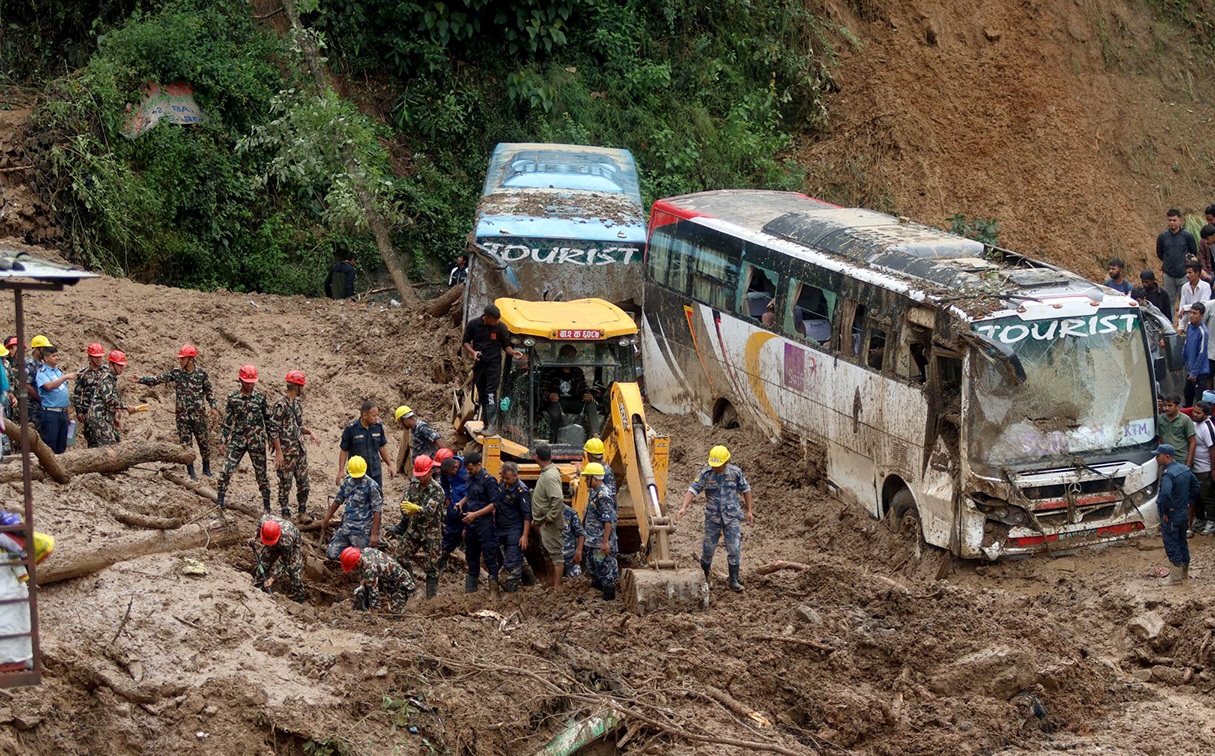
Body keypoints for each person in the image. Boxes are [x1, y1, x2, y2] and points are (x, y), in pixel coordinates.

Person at [134, 344, 219, 480]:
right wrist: (141, 380)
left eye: (182, 358)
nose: (180, 361)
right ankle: (191, 472)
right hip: (182, 417)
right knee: (185, 445)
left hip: (199, 416)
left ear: (190, 359)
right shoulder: (177, 373)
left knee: (203, 443)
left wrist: (213, 407)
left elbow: (210, 392)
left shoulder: (202, 374)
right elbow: (159, 379)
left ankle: (206, 469)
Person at [678, 444, 754, 592]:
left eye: (718, 466)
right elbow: (693, 490)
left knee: (734, 549)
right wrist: (684, 507)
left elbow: (746, 490)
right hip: (713, 518)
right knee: (708, 550)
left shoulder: (735, 473)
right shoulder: (706, 474)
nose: (716, 468)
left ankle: (733, 580)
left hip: (731, 517)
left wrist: (749, 511)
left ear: (726, 462)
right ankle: (705, 577)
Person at [216, 365, 280, 513]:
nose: (250, 385)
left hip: (256, 441)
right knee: (226, 470)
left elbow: (268, 420)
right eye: (247, 382)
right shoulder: (233, 398)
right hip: (238, 440)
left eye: (252, 382)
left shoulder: (260, 397)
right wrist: (223, 441)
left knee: (261, 475)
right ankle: (220, 500)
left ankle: (267, 507)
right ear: (240, 380)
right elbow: (228, 421)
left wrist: (272, 439)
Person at [462, 303, 524, 435]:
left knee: (490, 393)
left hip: (494, 364)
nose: (496, 322)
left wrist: (513, 352)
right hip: (479, 365)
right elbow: (465, 342)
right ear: (486, 317)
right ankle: (485, 425)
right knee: (482, 395)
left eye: (498, 320)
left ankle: (492, 425)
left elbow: (506, 346)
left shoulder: (501, 327)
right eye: (494, 320)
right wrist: (473, 352)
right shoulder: (473, 325)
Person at [393, 454, 446, 599]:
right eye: (419, 475)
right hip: (415, 529)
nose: (421, 478)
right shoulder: (413, 486)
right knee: (400, 555)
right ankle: (410, 587)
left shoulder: (437, 490)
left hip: (431, 532)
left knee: (432, 566)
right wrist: (405, 510)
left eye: (423, 475)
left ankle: (430, 598)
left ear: (430, 472)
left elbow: (430, 511)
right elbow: (404, 502)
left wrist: (416, 509)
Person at [272, 371, 319, 520]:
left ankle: (302, 511)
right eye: (301, 386)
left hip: (299, 450)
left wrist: (310, 432)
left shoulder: (297, 405)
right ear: (296, 387)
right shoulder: (280, 405)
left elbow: (299, 426)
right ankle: (285, 512)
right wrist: (279, 452)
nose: (302, 389)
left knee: (304, 483)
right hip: (286, 452)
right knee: (285, 483)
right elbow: (274, 430)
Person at [1155, 443, 1200, 585]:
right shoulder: (1184, 469)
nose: (1156, 458)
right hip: (1183, 512)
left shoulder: (1168, 474)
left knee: (1172, 544)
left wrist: (1166, 510)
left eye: (1158, 455)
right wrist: (1188, 501)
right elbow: (1196, 485)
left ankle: (1175, 578)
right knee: (1182, 542)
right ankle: (1184, 574)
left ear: (1167, 456)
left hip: (1171, 515)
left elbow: (1165, 494)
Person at [322, 456, 383, 560]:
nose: (356, 478)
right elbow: (337, 500)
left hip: (361, 530)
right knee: (331, 554)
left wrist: (374, 534)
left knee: (362, 558)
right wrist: (326, 519)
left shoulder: (372, 486)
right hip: (346, 527)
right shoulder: (348, 482)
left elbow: (377, 511)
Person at [460, 451, 501, 596]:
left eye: (470, 469)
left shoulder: (489, 481)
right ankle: (471, 591)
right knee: (471, 556)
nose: (468, 471)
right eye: (467, 469)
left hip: (485, 524)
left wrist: (476, 515)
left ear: (479, 465)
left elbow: (495, 504)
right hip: (471, 523)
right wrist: (461, 503)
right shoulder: (470, 478)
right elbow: (470, 496)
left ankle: (493, 591)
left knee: (490, 556)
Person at [539, 345, 595, 442]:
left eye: (572, 356)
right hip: (556, 402)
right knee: (555, 414)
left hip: (574, 402)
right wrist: (549, 396)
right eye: (567, 356)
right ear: (561, 356)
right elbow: (542, 391)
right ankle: (555, 440)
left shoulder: (578, 372)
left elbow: (584, 389)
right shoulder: (550, 371)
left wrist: (587, 395)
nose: (569, 359)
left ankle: (595, 435)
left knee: (591, 405)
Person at [580, 462, 618, 600]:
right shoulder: (595, 493)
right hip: (592, 540)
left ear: (595, 478)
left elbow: (608, 520)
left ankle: (608, 599)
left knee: (604, 569)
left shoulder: (603, 496)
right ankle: (597, 594)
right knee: (592, 566)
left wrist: (605, 542)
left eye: (588, 478)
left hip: (600, 541)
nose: (585, 481)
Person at [530, 444, 566, 588]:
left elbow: (558, 498)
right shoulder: (548, 472)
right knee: (547, 553)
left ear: (537, 458)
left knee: (555, 553)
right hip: (543, 522)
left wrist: (550, 517)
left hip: (549, 523)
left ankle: (557, 586)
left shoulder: (549, 476)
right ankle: (550, 581)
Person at [341, 546, 415, 613]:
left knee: (396, 615)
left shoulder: (370, 569)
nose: (353, 569)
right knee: (365, 589)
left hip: (402, 584)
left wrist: (373, 617)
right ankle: (362, 608)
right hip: (386, 579)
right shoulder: (366, 551)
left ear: (358, 562)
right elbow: (366, 574)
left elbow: (374, 595)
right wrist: (362, 585)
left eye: (353, 567)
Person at [338, 401, 393, 490]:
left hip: (375, 471)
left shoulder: (378, 427)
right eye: (373, 416)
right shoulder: (351, 429)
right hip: (357, 473)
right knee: (356, 496)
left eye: (377, 415)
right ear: (364, 416)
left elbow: (382, 447)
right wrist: (341, 471)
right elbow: (344, 450)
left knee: (376, 495)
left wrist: (389, 465)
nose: (376, 418)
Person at [496, 462, 532, 593]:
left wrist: (524, 535)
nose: (505, 481)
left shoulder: (521, 491)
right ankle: (530, 583)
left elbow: (527, 515)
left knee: (512, 561)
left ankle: (512, 592)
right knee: (515, 556)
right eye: (503, 478)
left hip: (514, 529)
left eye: (508, 478)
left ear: (516, 476)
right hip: (501, 527)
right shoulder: (501, 485)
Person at [253, 516, 306, 602]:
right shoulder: (264, 521)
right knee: (263, 563)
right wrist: (255, 537)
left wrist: (272, 579)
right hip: (273, 538)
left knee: (294, 572)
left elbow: (285, 561)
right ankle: (257, 587)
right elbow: (259, 527)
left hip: (292, 547)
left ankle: (298, 597)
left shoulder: (287, 540)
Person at [87, 351, 134, 446]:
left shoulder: (111, 378)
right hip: (99, 419)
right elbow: (109, 400)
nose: (121, 368)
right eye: (119, 365)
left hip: (104, 418)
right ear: (111, 365)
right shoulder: (107, 379)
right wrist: (126, 407)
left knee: (115, 442)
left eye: (122, 366)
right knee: (109, 446)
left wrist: (114, 417)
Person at [34, 346, 72, 454]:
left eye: (57, 355)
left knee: (62, 444)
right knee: (50, 444)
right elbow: (48, 386)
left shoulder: (58, 372)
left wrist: (68, 412)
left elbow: (64, 392)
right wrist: (65, 377)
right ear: (46, 358)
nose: (57, 358)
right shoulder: (42, 373)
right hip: (51, 412)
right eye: (53, 356)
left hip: (62, 412)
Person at [1158, 208, 1198, 306]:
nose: (1172, 223)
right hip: (1168, 275)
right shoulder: (1163, 236)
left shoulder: (1187, 236)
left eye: (1174, 220)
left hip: (1183, 274)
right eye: (1170, 220)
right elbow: (1160, 253)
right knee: (1168, 302)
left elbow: (1193, 253)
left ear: (1180, 221)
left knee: (1185, 301)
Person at [437, 452, 468, 570]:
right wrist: (447, 500)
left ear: (456, 467)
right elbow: (444, 484)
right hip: (454, 506)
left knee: (470, 536)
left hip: (470, 506)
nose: (450, 476)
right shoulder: (446, 470)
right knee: (450, 534)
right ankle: (441, 561)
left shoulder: (468, 466)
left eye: (451, 474)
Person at [72, 343, 107, 446]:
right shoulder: (83, 373)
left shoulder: (107, 372)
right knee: (92, 440)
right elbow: (77, 393)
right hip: (88, 411)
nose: (98, 360)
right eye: (96, 357)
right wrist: (79, 411)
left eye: (100, 357)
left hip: (104, 411)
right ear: (89, 357)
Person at [1189, 402, 1215, 536]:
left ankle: (1211, 521)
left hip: (1205, 468)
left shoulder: (1207, 427)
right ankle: (1200, 519)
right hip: (1195, 467)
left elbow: (1213, 450)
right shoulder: (1194, 424)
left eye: (1198, 413)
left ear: (1206, 414)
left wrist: (1213, 470)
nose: (1194, 414)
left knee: (1207, 496)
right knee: (1196, 496)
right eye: (1194, 411)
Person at [1158, 394, 1197, 467]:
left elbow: (1192, 442)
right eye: (1165, 405)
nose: (1166, 408)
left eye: (1170, 406)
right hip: (1165, 459)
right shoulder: (1160, 419)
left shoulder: (1185, 420)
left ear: (1177, 406)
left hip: (1181, 459)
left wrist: (1189, 462)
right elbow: (1160, 439)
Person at [1184, 303, 1211, 407]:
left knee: (1199, 401)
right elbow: (1186, 346)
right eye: (1190, 312)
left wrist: (1194, 373)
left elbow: (1202, 354)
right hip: (1190, 370)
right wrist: (1181, 363)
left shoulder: (1203, 332)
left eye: (1195, 313)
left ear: (1201, 315)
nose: (1191, 315)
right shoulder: (1189, 326)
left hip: (1199, 372)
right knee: (1187, 395)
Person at [25, 335, 53, 432]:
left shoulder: (42, 364)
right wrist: (40, 398)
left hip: (41, 406)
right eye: (44, 349)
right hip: (33, 406)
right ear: (37, 350)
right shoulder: (30, 364)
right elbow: (27, 385)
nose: (46, 351)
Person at [1178, 262, 1212, 329]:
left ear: (1197, 273)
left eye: (1190, 273)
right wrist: (1181, 326)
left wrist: (1186, 308)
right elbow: (1182, 306)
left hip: (1202, 324)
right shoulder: (1185, 287)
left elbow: (1203, 304)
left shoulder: (1205, 286)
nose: (1187, 275)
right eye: (1186, 273)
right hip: (1189, 325)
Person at [561, 503, 586, 578]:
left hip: (570, 556)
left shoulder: (570, 512)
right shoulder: (547, 511)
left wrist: (579, 552)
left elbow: (581, 534)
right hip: (554, 557)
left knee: (577, 580)